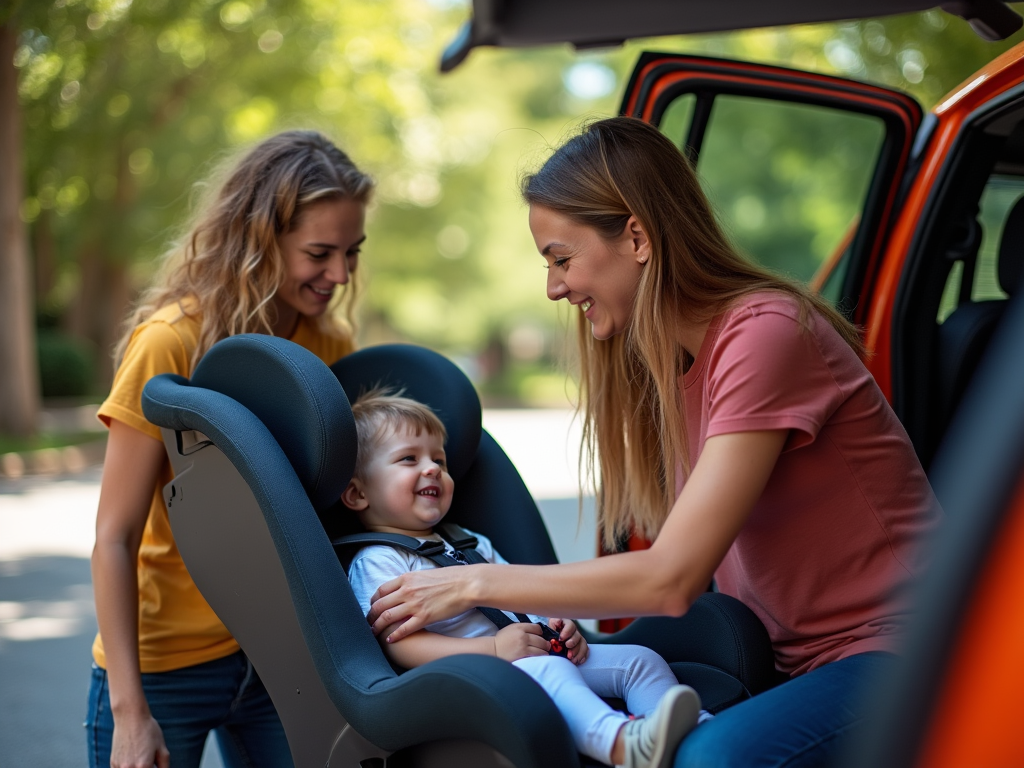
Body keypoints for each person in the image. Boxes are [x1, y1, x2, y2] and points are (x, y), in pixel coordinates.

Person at [365, 117, 940, 768]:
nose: (554, 287)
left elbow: (671, 579)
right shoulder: (670, 364)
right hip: (797, 657)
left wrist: (472, 584)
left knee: (707, 760)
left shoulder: (765, 336)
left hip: (909, 649)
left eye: (561, 258)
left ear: (636, 236)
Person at [87, 130, 373, 768]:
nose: (339, 275)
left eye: (351, 252)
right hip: (164, 668)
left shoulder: (329, 345)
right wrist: (131, 714)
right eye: (320, 253)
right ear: (259, 238)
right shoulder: (169, 342)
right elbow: (114, 535)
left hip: (278, 658)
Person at [341, 390, 707, 768]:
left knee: (639, 662)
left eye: (440, 460)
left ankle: (693, 735)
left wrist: (557, 624)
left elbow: (519, 594)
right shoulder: (378, 560)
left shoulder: (469, 541)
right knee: (551, 669)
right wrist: (495, 651)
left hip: (536, 651)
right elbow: (401, 645)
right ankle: (621, 744)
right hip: (478, 678)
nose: (433, 469)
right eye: (408, 459)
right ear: (357, 494)